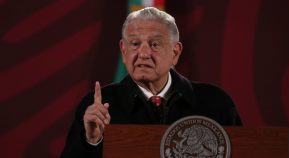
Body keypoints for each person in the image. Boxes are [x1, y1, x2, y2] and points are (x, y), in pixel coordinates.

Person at [60, 7, 242, 158]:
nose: (144, 53)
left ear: (175, 52)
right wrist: (91, 141)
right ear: (123, 51)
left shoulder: (215, 103)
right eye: (134, 44)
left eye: (154, 44)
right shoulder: (97, 108)